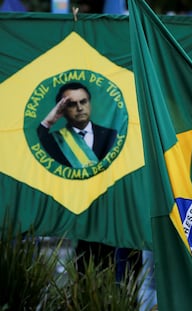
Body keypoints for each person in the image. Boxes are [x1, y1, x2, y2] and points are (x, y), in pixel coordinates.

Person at [37, 81, 117, 272]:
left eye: (84, 101)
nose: (80, 107)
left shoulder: (112, 134)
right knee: (85, 278)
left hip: (111, 217)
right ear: (62, 109)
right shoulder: (57, 141)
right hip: (80, 222)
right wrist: (50, 119)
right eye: (72, 104)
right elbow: (38, 141)